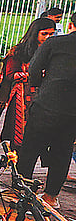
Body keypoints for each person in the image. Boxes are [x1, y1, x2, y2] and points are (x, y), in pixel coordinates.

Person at [18, 25, 76, 207]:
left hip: (47, 104)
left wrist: (41, 88)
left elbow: (34, 70)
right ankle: (51, 197)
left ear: (70, 25)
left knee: (30, 148)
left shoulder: (55, 42)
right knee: (63, 151)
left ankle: (22, 192)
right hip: (73, 111)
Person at [0, 17, 56, 153]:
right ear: (35, 33)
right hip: (22, 96)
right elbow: (10, 74)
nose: (48, 37)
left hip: (46, 96)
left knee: (48, 133)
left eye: (51, 34)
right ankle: (18, 165)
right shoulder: (19, 51)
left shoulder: (54, 50)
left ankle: (52, 167)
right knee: (20, 132)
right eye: (44, 34)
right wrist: (35, 74)